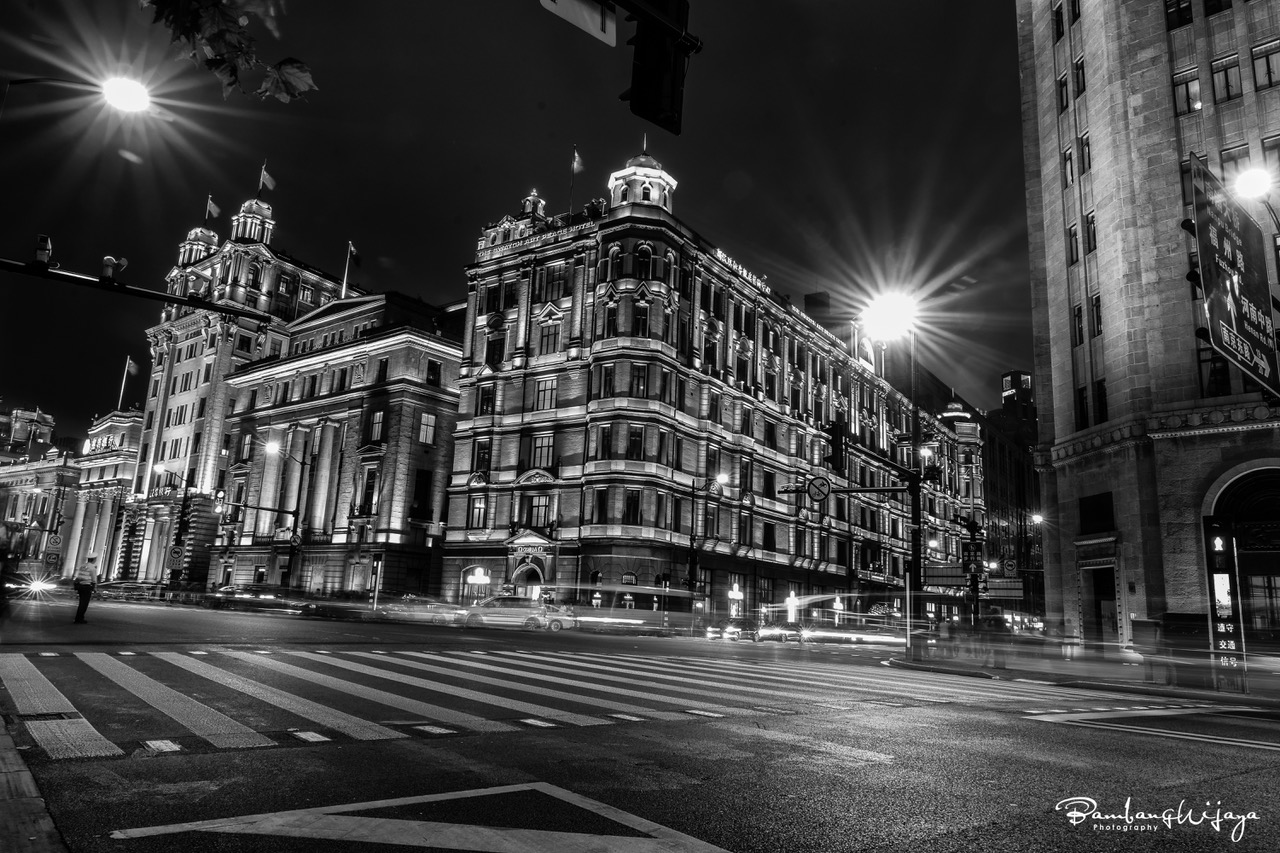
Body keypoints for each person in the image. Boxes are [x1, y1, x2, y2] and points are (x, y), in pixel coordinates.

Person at [72, 555, 98, 624]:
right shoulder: (92, 567)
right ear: (94, 559)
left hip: (80, 586)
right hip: (87, 586)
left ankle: (78, 618)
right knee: (84, 604)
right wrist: (95, 588)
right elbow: (94, 579)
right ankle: (80, 618)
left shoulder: (82, 566)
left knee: (81, 602)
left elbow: (78, 576)